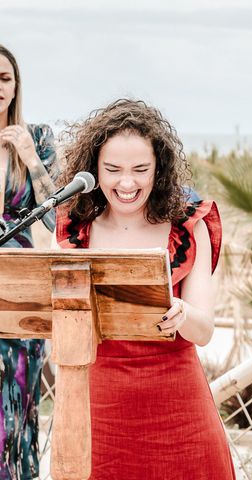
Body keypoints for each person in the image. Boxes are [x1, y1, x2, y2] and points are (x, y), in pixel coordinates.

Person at [54, 99, 235, 479]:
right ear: (92, 170)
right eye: (112, 170)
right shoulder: (73, 227)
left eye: (141, 170)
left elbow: (204, 331)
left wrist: (183, 314)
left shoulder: (188, 223)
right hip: (98, 407)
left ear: (160, 169)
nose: (127, 183)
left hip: (178, 406)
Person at [0, 44, 59, 479]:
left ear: (16, 85)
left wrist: (29, 157)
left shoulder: (37, 138)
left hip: (23, 292)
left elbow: (57, 214)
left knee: (18, 405)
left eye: (4, 78)